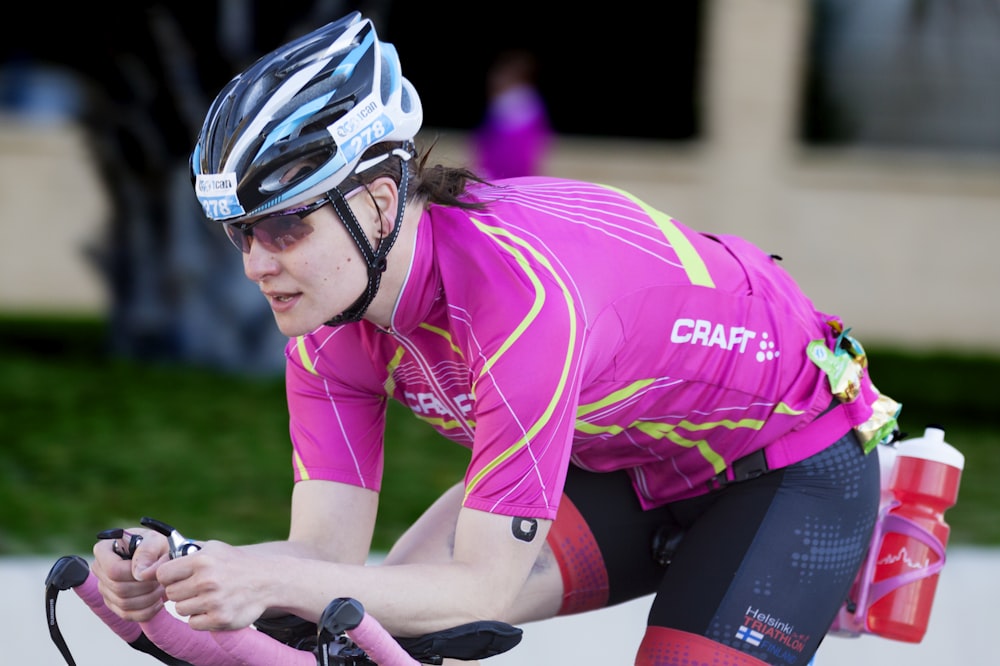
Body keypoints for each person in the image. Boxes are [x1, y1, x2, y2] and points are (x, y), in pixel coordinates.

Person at [92, 12, 902, 666]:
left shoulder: (518, 300)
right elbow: (320, 556)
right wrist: (183, 567)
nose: (257, 265)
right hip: (627, 460)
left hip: (791, 466)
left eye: (282, 226)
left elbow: (479, 588)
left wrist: (266, 579)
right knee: (365, 626)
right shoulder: (327, 326)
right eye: (241, 235)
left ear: (378, 203)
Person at [471, 48, 552, 179]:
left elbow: (537, 141)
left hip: (513, 169)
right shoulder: (500, 104)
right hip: (496, 169)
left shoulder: (528, 102)